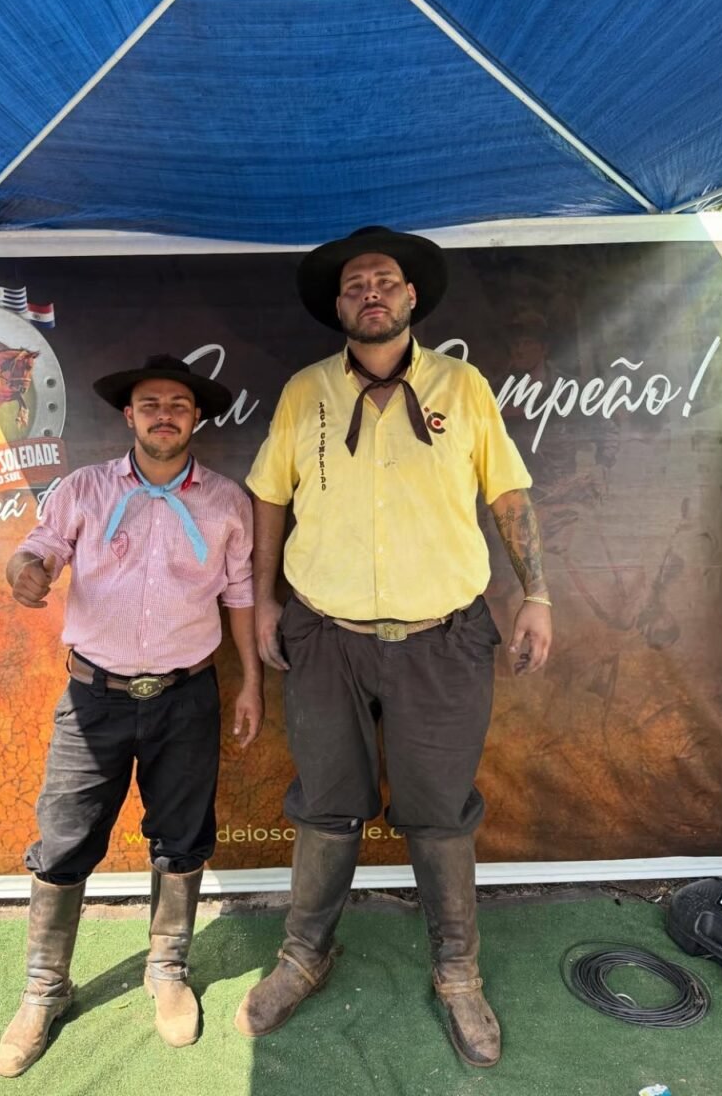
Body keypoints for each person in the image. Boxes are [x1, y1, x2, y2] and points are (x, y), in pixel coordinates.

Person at [234, 227, 552, 1068]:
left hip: (443, 640)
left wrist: (538, 593)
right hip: (324, 637)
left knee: (440, 812)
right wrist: (264, 601)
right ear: (338, 307)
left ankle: (458, 971)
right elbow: (269, 497)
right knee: (326, 804)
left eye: (384, 280)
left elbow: (508, 494)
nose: (369, 292)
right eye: (354, 285)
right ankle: (304, 954)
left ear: (411, 298)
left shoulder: (463, 386)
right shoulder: (305, 392)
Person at [0, 354, 263, 1077]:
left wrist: (251, 683)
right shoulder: (82, 488)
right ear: (129, 416)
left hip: (187, 697)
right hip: (94, 698)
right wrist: (26, 571)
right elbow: (40, 547)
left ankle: (167, 970)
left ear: (196, 418)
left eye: (178, 404)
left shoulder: (227, 502)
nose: (164, 415)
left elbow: (240, 595)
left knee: (183, 836)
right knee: (63, 841)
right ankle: (44, 988)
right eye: (151, 404)